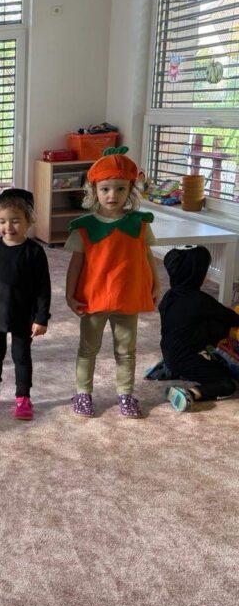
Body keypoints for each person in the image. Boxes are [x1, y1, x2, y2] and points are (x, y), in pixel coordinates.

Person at [65, 148, 158, 418]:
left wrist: (156, 284)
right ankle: (83, 393)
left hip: (128, 297)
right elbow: (75, 265)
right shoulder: (84, 227)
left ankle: (125, 394)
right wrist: (70, 295)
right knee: (88, 349)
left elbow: (147, 255)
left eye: (120, 188)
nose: (112, 195)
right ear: (94, 191)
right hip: (93, 298)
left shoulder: (140, 224)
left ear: (130, 190)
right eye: (105, 189)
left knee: (126, 351)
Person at [0, 189, 51, 421]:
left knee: (21, 357)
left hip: (23, 316)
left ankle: (23, 398)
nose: (8, 226)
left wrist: (41, 318)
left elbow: (43, 289)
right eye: (2, 221)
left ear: (28, 221)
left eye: (15, 220)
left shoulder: (34, 252)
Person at [157, 245, 239, 412]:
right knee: (227, 383)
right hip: (187, 358)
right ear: (197, 274)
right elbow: (232, 318)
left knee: (211, 325)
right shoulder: (200, 300)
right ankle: (191, 393)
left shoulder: (168, 296)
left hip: (169, 352)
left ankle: (172, 370)